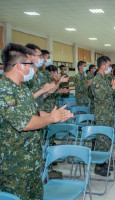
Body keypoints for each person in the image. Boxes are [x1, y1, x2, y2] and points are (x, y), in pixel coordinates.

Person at [0, 43, 73, 199]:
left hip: (31, 160)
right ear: (19, 66)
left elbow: (34, 112)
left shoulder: (22, 88)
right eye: (29, 64)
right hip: (14, 165)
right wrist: (50, 118)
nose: (32, 68)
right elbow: (25, 123)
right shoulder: (4, 89)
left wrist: (55, 115)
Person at [91, 56, 115, 176]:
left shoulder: (104, 79)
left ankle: (104, 162)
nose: (110, 68)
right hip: (102, 115)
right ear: (103, 66)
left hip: (108, 114)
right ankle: (98, 167)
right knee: (101, 140)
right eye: (109, 65)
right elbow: (101, 97)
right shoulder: (97, 80)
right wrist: (114, 87)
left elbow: (110, 95)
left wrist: (114, 87)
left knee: (107, 140)